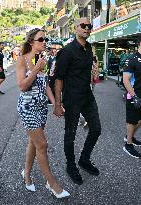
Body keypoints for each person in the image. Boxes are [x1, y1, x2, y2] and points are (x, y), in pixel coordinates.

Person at [16, 28, 70, 198]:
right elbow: (22, 86)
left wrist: (56, 104)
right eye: (41, 39)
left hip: (41, 108)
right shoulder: (22, 60)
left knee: (33, 143)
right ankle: (52, 184)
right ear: (31, 42)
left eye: (45, 39)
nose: (45, 42)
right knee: (42, 145)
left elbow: (45, 85)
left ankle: (26, 173)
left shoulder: (42, 60)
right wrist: (35, 69)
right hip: (27, 109)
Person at [54, 17, 101, 185]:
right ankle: (71, 165)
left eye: (89, 26)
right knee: (70, 135)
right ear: (75, 28)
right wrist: (57, 104)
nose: (87, 28)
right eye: (83, 25)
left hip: (87, 96)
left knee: (96, 129)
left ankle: (84, 159)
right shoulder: (67, 51)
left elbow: (88, 71)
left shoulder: (89, 48)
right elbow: (58, 79)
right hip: (72, 99)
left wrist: (94, 74)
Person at [123, 35, 141, 158]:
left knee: (139, 120)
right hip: (133, 96)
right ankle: (128, 145)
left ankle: (129, 137)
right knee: (132, 120)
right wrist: (134, 96)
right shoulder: (132, 59)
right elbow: (126, 80)